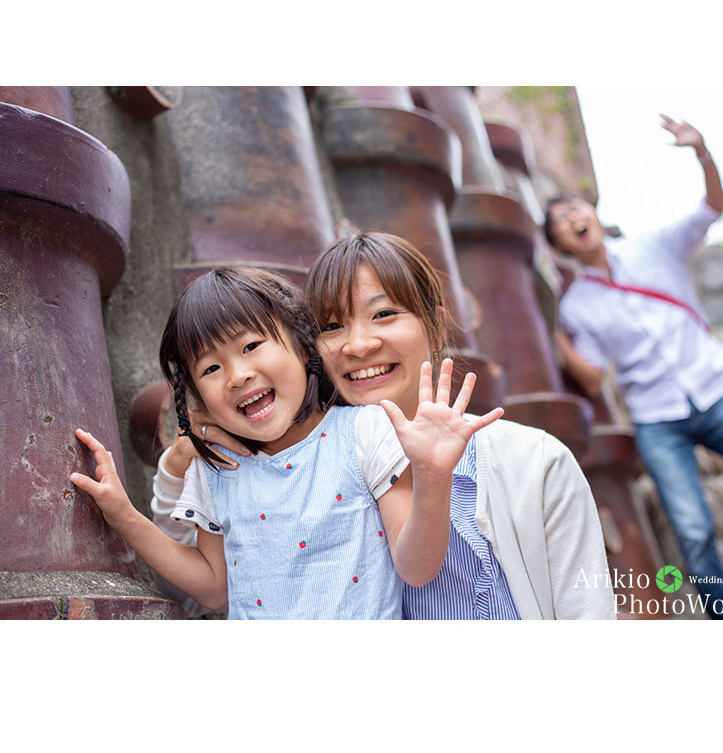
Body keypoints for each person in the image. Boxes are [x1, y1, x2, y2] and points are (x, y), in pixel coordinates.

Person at [181, 233, 616, 619]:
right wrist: (188, 447)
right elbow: (207, 588)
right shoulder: (297, 470)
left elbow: (587, 617)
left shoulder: (535, 463)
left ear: (435, 325)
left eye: (384, 314)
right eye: (332, 326)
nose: (358, 345)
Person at [70, 265, 503, 619]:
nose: (238, 375)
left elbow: (416, 568)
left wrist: (432, 475)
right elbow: (215, 588)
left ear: (302, 345)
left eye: (251, 346)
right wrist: (125, 517)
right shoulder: (215, 466)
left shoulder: (364, 432)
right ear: (196, 397)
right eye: (211, 369)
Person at [545, 113, 723, 620]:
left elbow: (713, 208)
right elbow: (592, 376)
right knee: (694, 532)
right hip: (658, 420)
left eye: (574, 208)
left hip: (716, 395)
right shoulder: (577, 306)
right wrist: (553, 328)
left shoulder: (651, 248)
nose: (572, 218)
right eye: (559, 222)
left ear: (591, 212)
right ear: (560, 246)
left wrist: (702, 152)